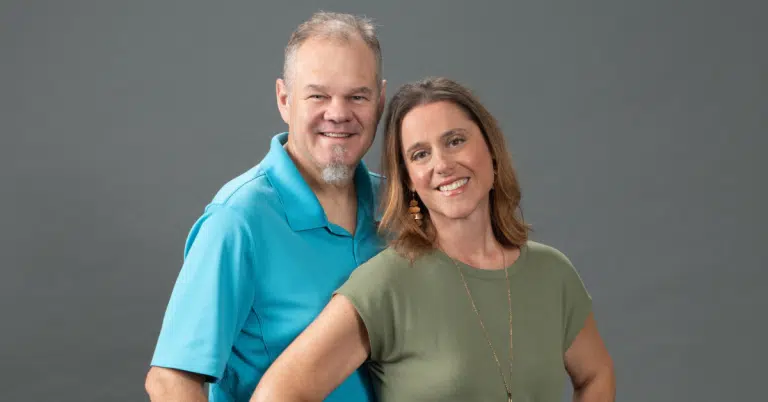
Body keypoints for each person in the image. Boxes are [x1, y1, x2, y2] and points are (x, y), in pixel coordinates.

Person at [249, 77, 616, 402]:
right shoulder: (386, 283)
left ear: (491, 150)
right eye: (420, 154)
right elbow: (280, 394)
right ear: (409, 179)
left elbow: (596, 375)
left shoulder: (552, 274)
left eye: (455, 141)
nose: (442, 165)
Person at [144, 11, 387, 402]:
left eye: (357, 96)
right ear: (284, 99)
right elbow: (170, 381)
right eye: (318, 95)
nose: (338, 113)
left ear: (380, 101)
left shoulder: (396, 206)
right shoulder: (237, 219)